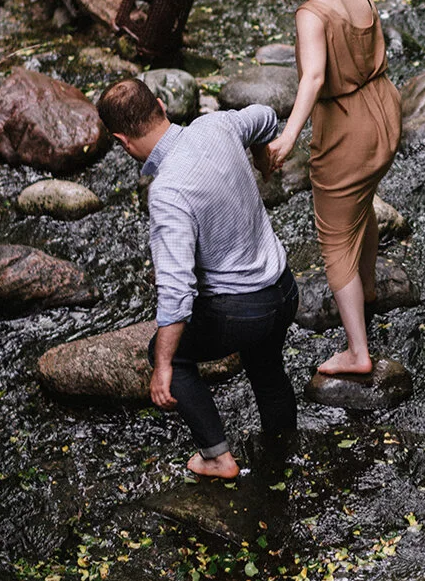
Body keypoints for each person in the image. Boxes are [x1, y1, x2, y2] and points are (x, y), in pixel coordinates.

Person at [97, 78, 299, 480]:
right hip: (283, 291)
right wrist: (262, 158)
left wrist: (164, 365)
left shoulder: (168, 190)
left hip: (243, 313)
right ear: (160, 105)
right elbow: (264, 116)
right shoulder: (215, 125)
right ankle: (284, 452)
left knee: (169, 352)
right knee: (266, 364)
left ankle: (217, 457)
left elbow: (176, 289)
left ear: (121, 141)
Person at [244, 0, 401, 377]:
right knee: (361, 205)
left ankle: (357, 351)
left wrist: (289, 135)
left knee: (334, 240)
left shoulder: (310, 14)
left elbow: (313, 77)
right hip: (384, 111)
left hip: (348, 129)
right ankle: (367, 286)